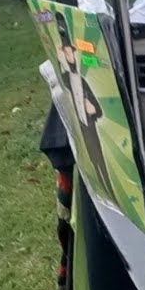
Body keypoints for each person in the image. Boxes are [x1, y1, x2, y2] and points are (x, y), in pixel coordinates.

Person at [55, 16, 115, 200]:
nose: (69, 56)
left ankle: (110, 191)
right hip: (80, 128)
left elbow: (99, 107)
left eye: (71, 52)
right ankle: (99, 193)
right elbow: (59, 71)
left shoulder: (82, 80)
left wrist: (93, 110)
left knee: (101, 162)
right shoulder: (65, 77)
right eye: (66, 53)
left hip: (90, 125)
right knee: (89, 163)